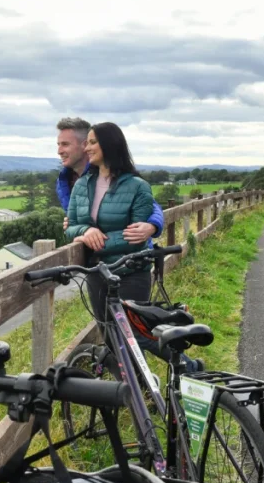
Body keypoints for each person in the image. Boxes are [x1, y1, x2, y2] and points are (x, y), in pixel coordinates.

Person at [64, 121, 203, 373]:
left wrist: (95, 242)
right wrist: (85, 231)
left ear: (109, 145)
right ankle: (139, 392)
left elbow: (136, 235)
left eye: (93, 142)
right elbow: (71, 227)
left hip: (131, 271)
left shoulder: (138, 187)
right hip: (97, 273)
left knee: (134, 334)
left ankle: (188, 367)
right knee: (110, 336)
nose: (87, 148)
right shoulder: (82, 186)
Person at [55, 117, 164, 245]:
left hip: (125, 258)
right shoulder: (64, 182)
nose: (59, 151)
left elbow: (151, 206)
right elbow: (74, 224)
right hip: (90, 260)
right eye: (58, 145)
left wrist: (153, 225)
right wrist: (82, 230)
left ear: (84, 144)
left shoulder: (125, 180)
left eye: (65, 144)